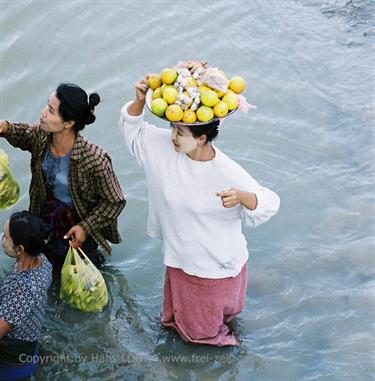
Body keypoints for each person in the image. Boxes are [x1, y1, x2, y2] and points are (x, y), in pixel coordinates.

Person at [120, 63, 280, 346]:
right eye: (172, 129)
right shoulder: (164, 150)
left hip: (214, 270)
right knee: (179, 328)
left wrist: (244, 197)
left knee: (202, 340)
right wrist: (139, 100)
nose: (172, 137)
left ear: (202, 138)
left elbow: (269, 202)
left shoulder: (225, 170)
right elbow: (133, 132)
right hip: (182, 260)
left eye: (180, 133)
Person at [0, 84, 126, 271]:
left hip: (76, 227)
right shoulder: (42, 137)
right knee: (41, 267)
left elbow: (115, 201)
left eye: (51, 111)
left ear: (68, 123)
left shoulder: (95, 160)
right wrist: (5, 128)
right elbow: (24, 133)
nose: (43, 113)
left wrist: (84, 227)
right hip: (44, 217)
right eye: (46, 106)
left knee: (82, 275)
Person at [0, 211, 52, 381]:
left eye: (6, 237)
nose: (1, 238)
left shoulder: (22, 289)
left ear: (20, 249)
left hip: (13, 359)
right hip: (31, 335)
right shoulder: (43, 261)